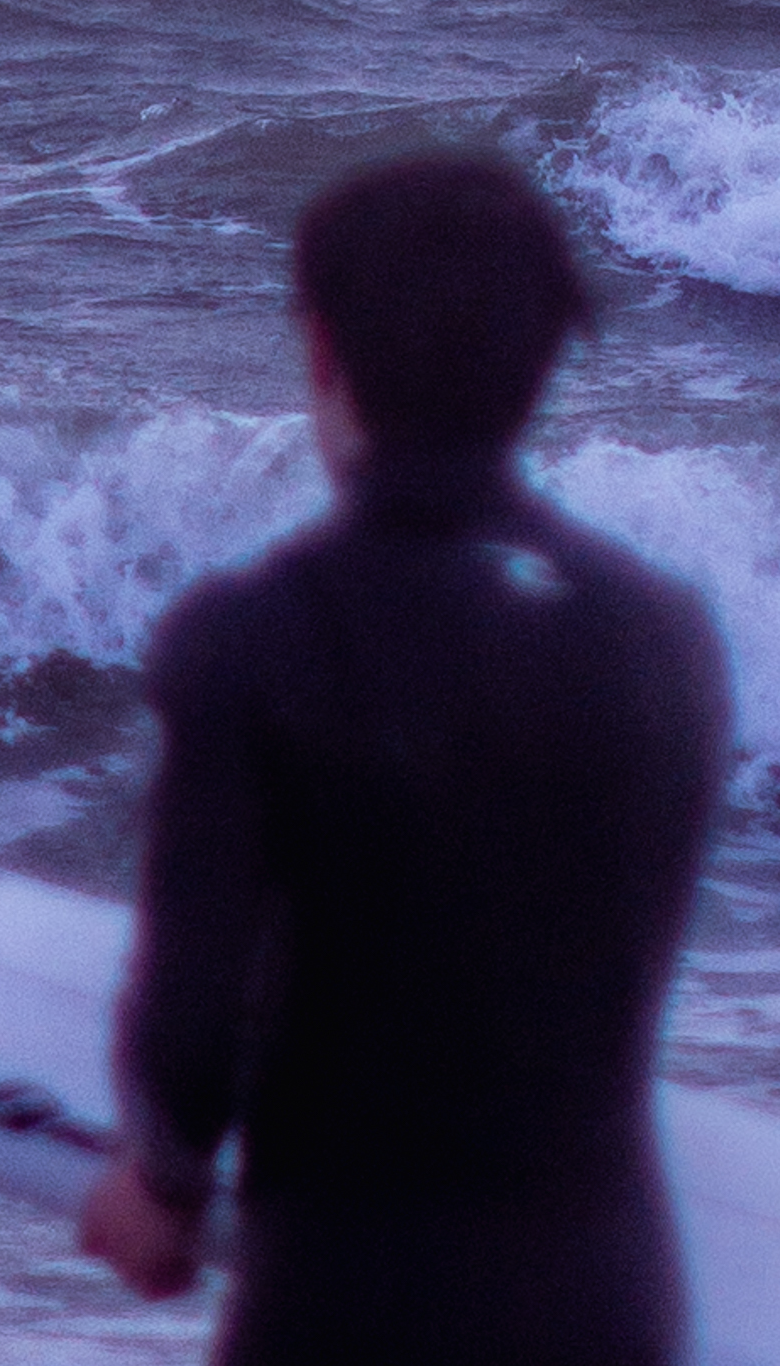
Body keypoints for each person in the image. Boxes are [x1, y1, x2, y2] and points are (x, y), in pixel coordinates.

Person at [78, 151, 731, 1364]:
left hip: (352, 1303)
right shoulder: (664, 636)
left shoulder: (258, 639)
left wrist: (160, 1182)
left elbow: (192, 1018)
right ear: (543, 362)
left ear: (325, 351)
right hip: (609, 1302)